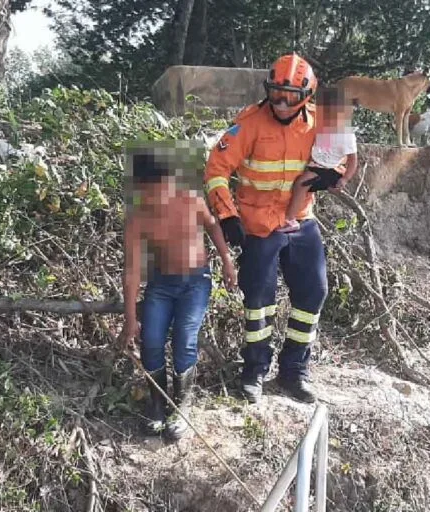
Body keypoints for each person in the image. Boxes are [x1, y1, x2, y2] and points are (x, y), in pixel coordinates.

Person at [204, 53, 337, 404]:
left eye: (290, 96)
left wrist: (331, 174)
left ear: (306, 95)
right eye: (276, 93)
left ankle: (293, 371)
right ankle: (254, 370)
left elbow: (340, 157)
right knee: (259, 301)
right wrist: (227, 215)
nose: (281, 102)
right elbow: (216, 169)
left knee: (313, 293)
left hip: (300, 219)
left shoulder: (319, 123)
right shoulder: (249, 122)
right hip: (258, 223)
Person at [120, 149, 237, 439]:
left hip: (195, 282)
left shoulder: (190, 200)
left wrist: (226, 260)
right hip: (161, 284)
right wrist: (130, 319)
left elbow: (212, 226)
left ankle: (182, 405)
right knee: (151, 341)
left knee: (185, 338)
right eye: (146, 190)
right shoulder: (138, 219)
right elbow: (133, 271)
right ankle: (158, 405)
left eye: (160, 187)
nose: (155, 196)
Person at [278, 86, 359, 233]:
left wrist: (345, 179)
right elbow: (322, 148)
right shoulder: (325, 126)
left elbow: (353, 160)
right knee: (304, 184)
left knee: (301, 184)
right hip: (317, 166)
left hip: (325, 169)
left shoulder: (347, 135)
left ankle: (290, 220)